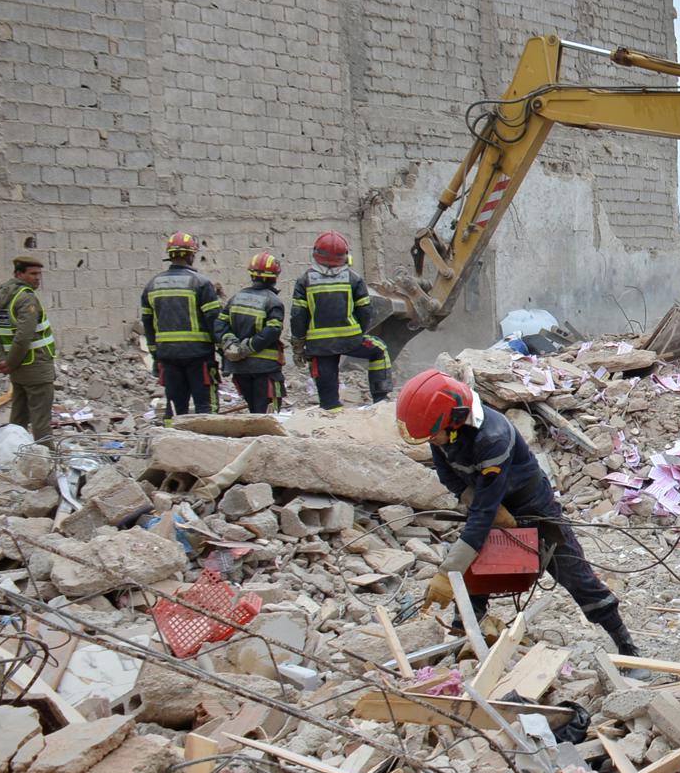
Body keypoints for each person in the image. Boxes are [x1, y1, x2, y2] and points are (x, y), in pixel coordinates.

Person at [396, 369, 638, 655]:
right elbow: (449, 476)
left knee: (573, 572)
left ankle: (625, 645)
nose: (431, 441)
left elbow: (483, 514)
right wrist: (472, 498)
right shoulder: (441, 434)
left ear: (454, 420)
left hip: (533, 506)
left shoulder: (492, 437)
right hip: (488, 501)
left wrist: (449, 572)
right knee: (475, 571)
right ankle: (466, 638)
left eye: (432, 435)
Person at [291, 231, 391, 412]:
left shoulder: (304, 280)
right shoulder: (354, 279)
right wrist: (360, 333)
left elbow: (298, 316)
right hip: (350, 340)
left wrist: (298, 346)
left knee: (329, 405)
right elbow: (365, 311)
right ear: (345, 256)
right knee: (380, 350)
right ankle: (380, 401)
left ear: (316, 254)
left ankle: (333, 421)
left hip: (319, 347)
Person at [140, 232, 224, 426]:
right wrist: (223, 350)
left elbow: (148, 324)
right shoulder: (201, 283)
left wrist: (156, 356)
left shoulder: (152, 285)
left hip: (168, 356)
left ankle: (171, 439)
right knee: (206, 406)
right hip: (199, 356)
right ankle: (208, 439)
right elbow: (214, 321)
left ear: (170, 255)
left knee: (174, 407)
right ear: (191, 255)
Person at [0, 253, 56, 444]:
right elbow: (23, 337)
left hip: (18, 369)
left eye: (39, 274)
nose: (37, 278)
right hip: (36, 366)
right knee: (41, 419)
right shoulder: (26, 299)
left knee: (18, 418)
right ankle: (46, 456)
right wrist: (10, 363)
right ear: (19, 274)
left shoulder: (3, 296)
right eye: (33, 274)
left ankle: (13, 453)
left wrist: (4, 361)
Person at [220, 252, 287, 413]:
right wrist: (248, 347)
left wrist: (230, 344)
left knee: (253, 411)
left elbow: (220, 323)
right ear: (275, 277)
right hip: (265, 368)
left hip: (240, 368)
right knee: (268, 414)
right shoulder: (273, 301)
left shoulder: (236, 298)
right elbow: (273, 330)